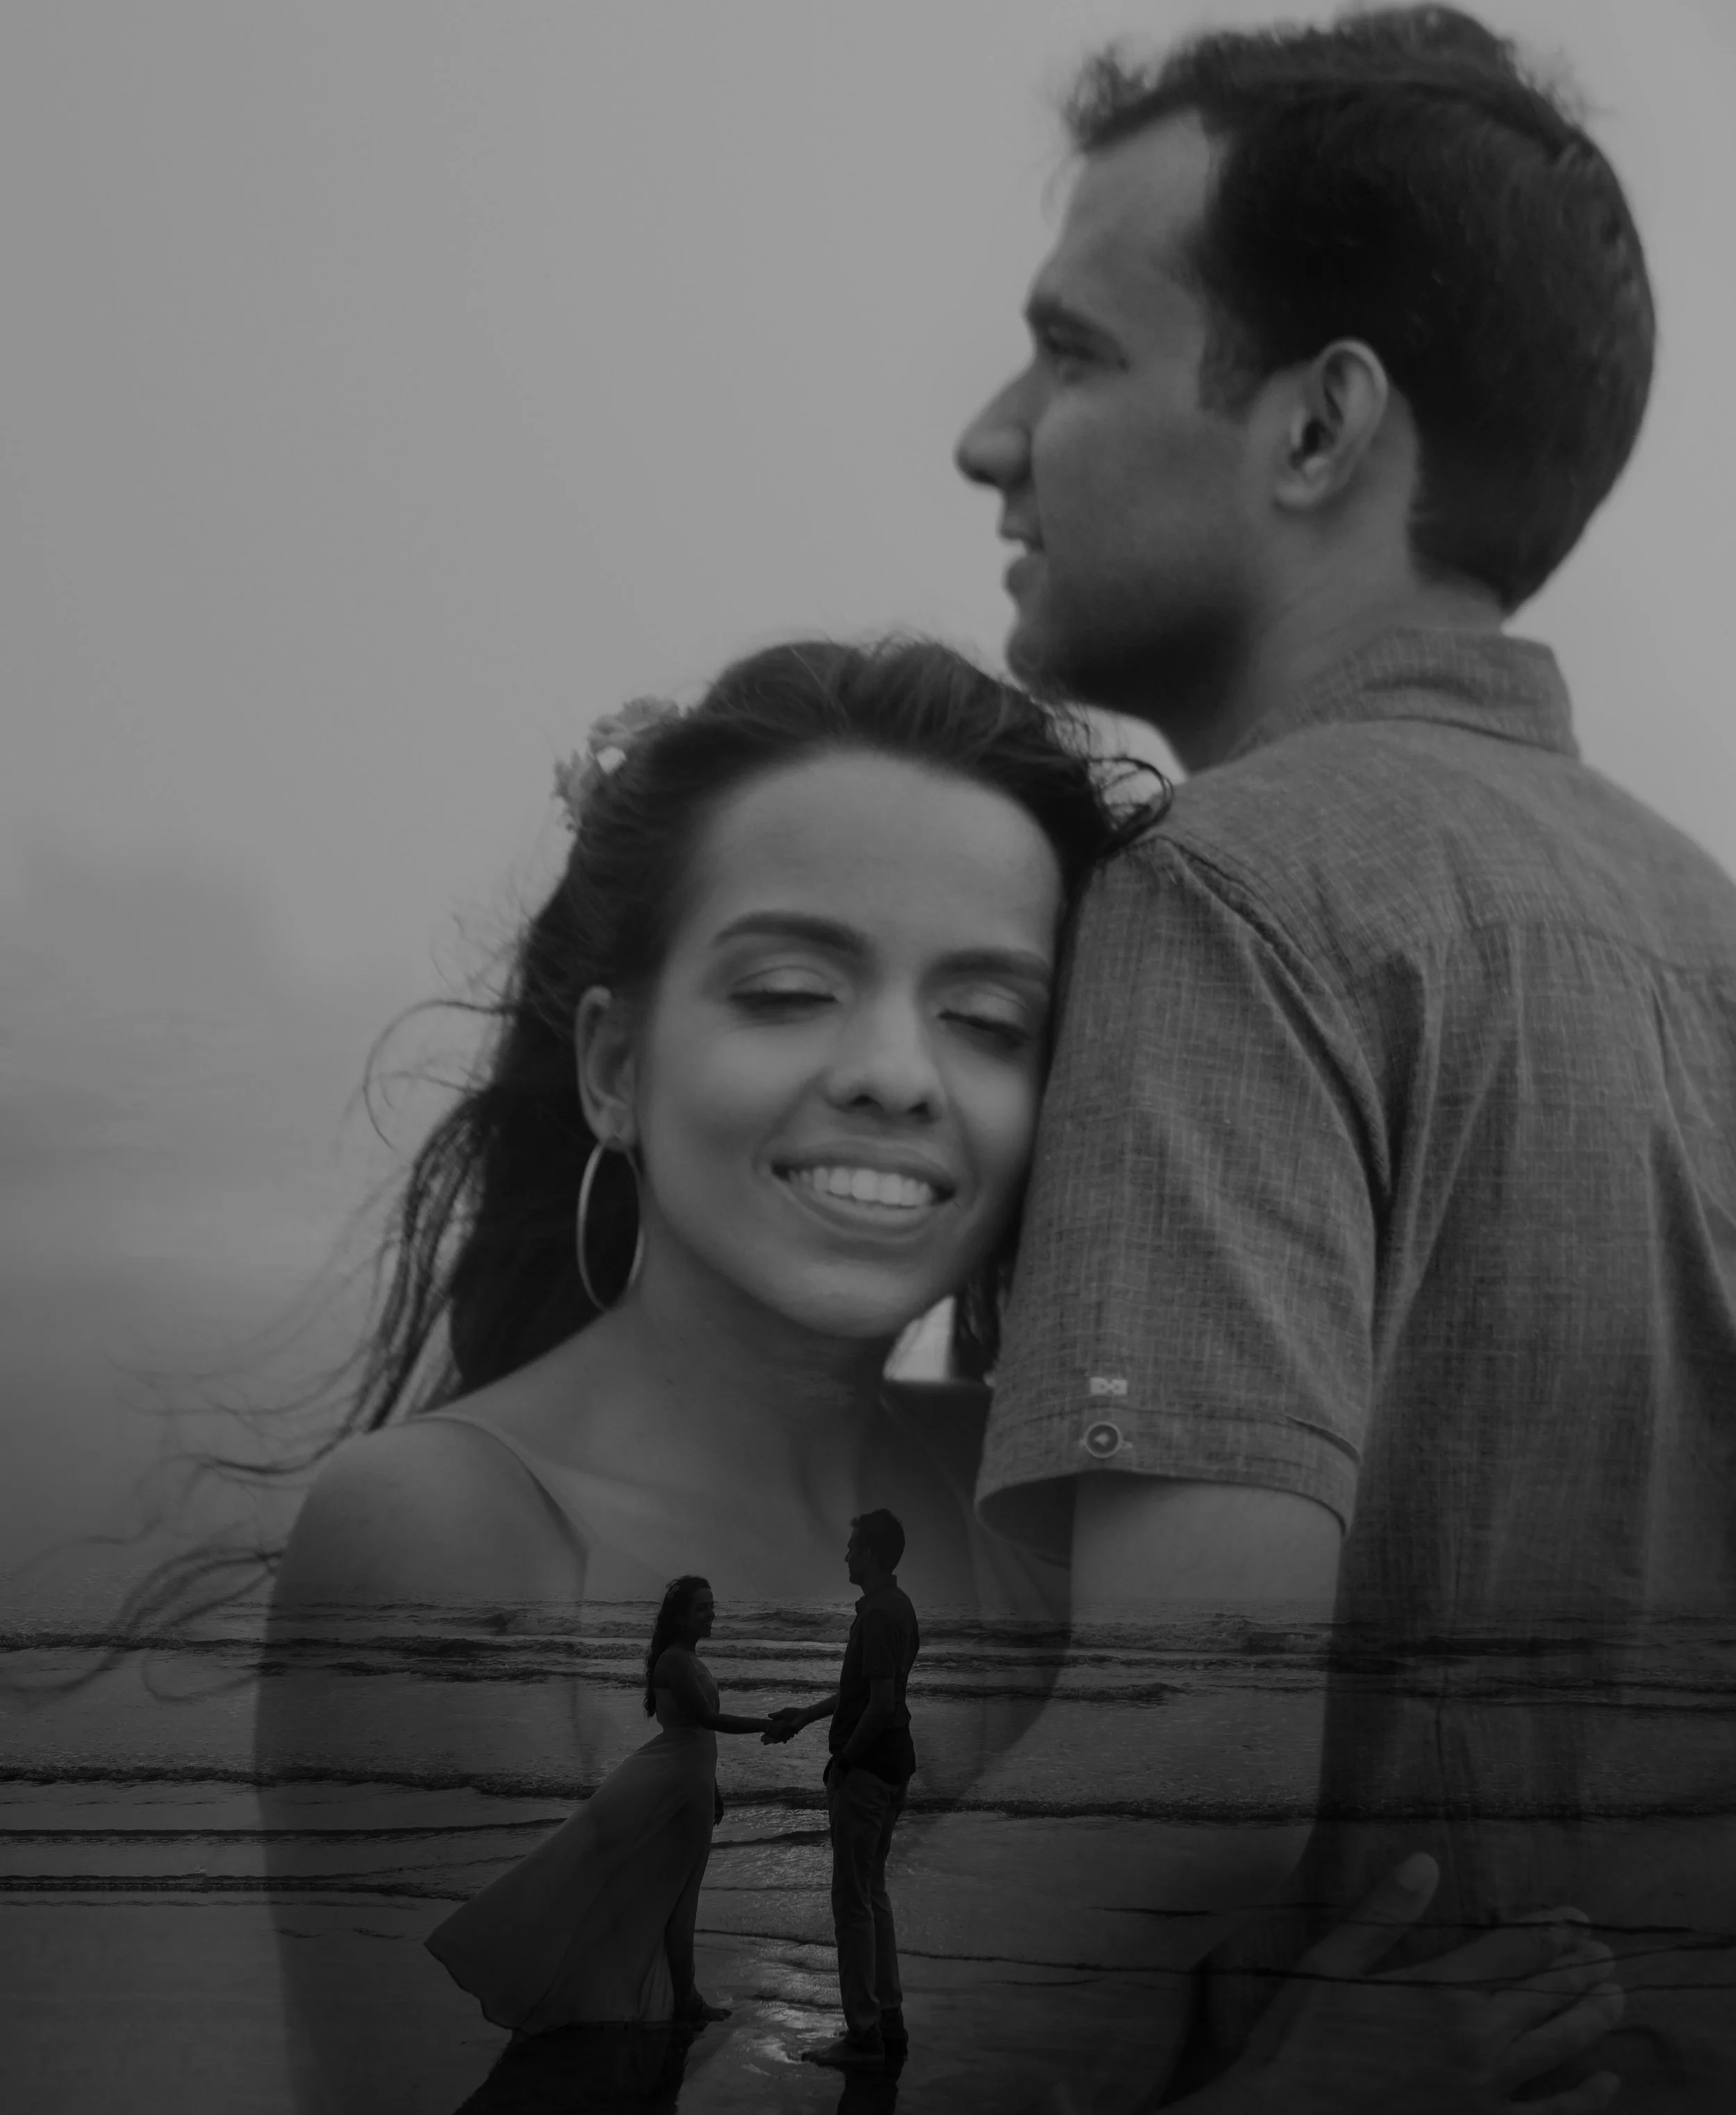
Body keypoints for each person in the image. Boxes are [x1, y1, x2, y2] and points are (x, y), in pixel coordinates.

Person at [257, 637, 1623, 2114]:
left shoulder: (1050, 1511)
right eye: (787, 988)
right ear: (610, 1062)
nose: (897, 1072)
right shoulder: (444, 1531)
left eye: (988, 1021)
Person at [953, 0, 1736, 2109]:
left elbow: (1183, 1753)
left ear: (1313, 431)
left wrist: (745, 2061)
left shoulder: (1227, 897)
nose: (986, 430)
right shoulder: (1697, 928)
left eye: (1073, 349)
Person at [425, 1575, 765, 2032]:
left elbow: (698, 1735)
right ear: (681, 1615)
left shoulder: (690, 1659)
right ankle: (685, 1999)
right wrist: (770, 1724)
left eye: (712, 1605)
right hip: (676, 1788)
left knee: (679, 1897)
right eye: (702, 1607)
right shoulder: (676, 1662)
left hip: (690, 1785)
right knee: (676, 1899)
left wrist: (714, 1786)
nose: (711, 1613)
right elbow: (706, 1719)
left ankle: (683, 1996)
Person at [765, 1508, 921, 2071]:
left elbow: (879, 1704)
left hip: (870, 1769)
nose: (847, 1555)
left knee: (851, 1903)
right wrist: (805, 1716)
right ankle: (889, 2020)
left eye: (854, 1547)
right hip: (894, 1764)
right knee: (871, 1894)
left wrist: (843, 1762)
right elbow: (862, 1693)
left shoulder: (879, 1614)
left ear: (873, 1554)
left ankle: (863, 2035)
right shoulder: (896, 1607)